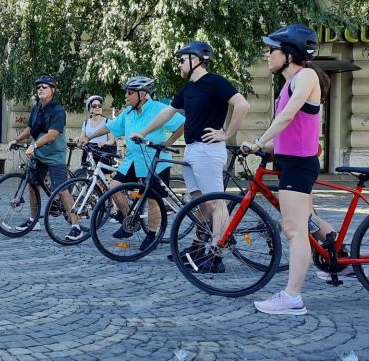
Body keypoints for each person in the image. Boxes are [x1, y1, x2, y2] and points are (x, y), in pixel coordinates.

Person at [132, 41, 251, 271]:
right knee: (200, 205)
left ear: (194, 60)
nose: (179, 64)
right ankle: (198, 248)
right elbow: (168, 112)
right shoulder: (188, 89)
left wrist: (226, 133)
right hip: (192, 150)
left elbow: (242, 105)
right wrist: (144, 132)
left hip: (208, 150)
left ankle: (216, 257)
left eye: (181, 59)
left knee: (217, 203)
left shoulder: (215, 82)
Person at [244, 24, 330, 315]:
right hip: (292, 161)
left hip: (299, 166)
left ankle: (292, 298)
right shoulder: (289, 83)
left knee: (294, 230)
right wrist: (262, 147)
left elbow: (289, 116)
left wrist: (259, 140)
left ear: (289, 53)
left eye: (272, 50)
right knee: (307, 221)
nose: (268, 55)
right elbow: (288, 131)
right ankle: (339, 259)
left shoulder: (305, 76)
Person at [78, 76, 185, 250]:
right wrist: (88, 136)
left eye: (129, 93)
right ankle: (130, 221)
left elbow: (182, 124)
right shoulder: (128, 112)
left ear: (142, 95)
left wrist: (169, 143)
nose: (126, 96)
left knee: (152, 199)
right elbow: (110, 127)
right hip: (133, 160)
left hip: (155, 161)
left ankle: (152, 234)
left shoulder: (160, 109)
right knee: (113, 187)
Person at [8, 75, 87, 241]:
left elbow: (52, 134)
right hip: (39, 155)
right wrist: (16, 140)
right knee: (33, 185)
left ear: (53, 90)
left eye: (44, 87)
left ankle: (76, 226)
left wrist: (34, 145)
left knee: (62, 189)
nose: (40, 90)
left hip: (54, 155)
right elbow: (29, 128)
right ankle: (33, 220)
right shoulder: (36, 108)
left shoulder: (58, 110)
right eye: (38, 87)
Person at [80, 95, 116, 169]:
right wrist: (78, 140)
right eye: (94, 106)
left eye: (99, 105)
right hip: (89, 154)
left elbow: (112, 140)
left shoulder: (107, 122)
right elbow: (82, 138)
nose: (97, 107)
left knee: (105, 176)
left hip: (103, 152)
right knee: (87, 176)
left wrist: (105, 143)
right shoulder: (86, 123)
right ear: (90, 108)